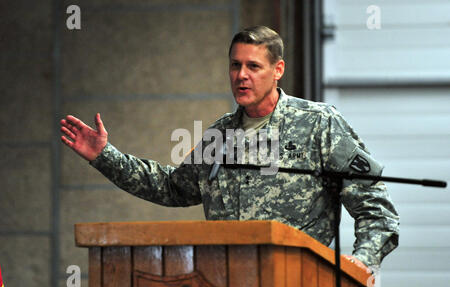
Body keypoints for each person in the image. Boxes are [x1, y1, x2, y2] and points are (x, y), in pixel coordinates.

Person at [61, 26, 399, 272]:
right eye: (235, 65)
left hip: (299, 284)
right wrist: (105, 156)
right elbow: (171, 187)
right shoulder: (220, 135)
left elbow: (376, 209)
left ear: (277, 70)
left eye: (254, 66)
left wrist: (359, 262)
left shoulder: (318, 124)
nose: (241, 75)